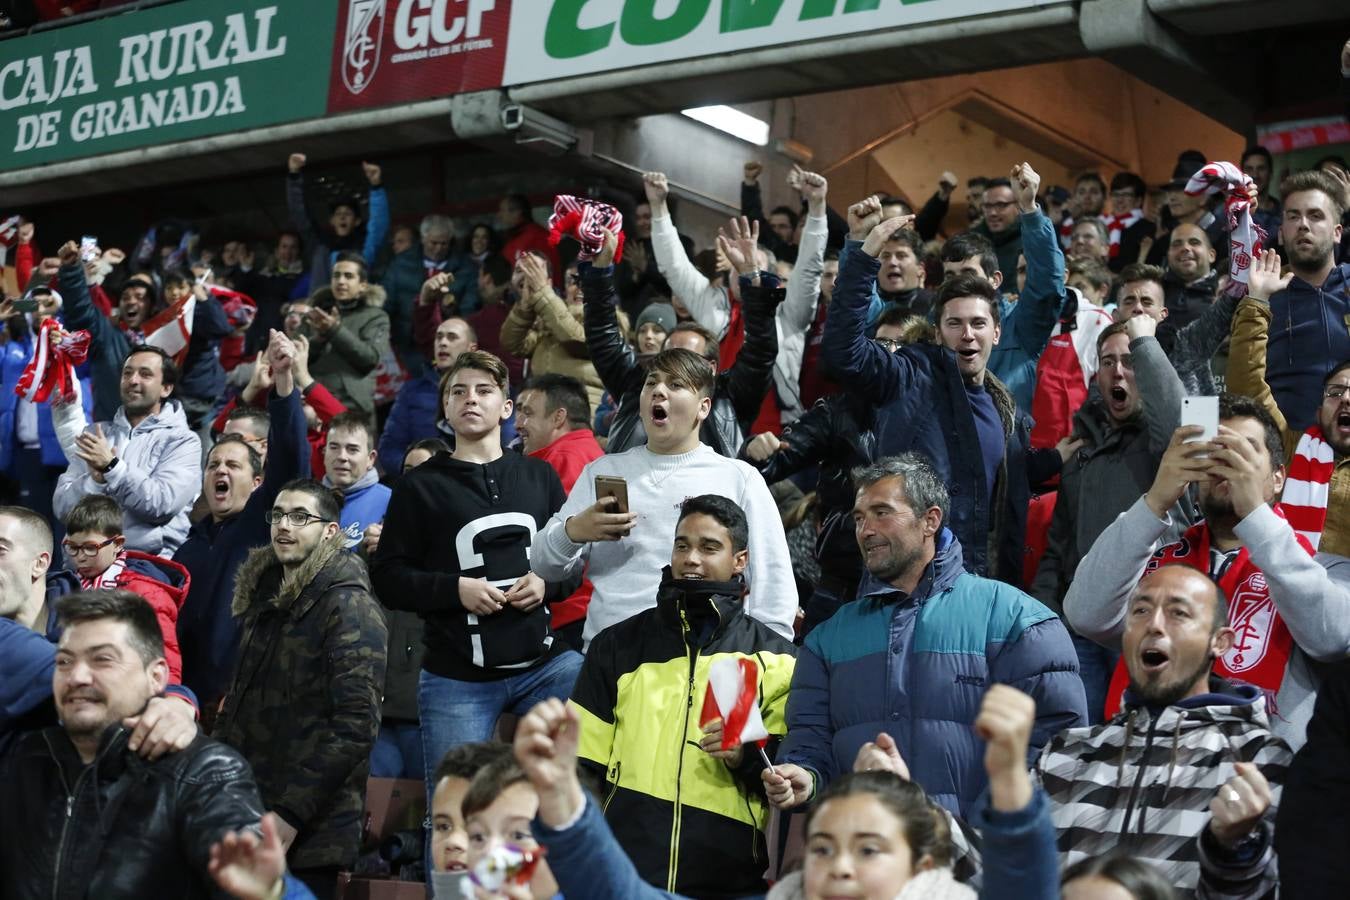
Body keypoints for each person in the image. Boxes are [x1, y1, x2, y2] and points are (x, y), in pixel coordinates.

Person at [769, 455, 1086, 818]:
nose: (865, 530)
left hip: (979, 849)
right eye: (859, 518)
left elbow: (1056, 748)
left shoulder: (1019, 621)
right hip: (868, 846)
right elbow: (809, 737)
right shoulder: (826, 640)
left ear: (930, 520)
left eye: (881, 513)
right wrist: (807, 776)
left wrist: (982, 834)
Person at [369, 350, 583, 877]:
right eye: (458, 391)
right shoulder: (419, 486)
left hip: (544, 666)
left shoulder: (539, 476)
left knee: (594, 738)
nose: (471, 399)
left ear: (507, 407)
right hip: (456, 677)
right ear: (444, 408)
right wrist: (454, 589)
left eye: (484, 391)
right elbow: (389, 577)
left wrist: (547, 582)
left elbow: (573, 565)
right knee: (454, 814)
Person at [979, 567, 1290, 898]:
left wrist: (1233, 850)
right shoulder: (1067, 753)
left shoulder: (1258, 758)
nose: (1154, 624)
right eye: (1140, 610)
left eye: (1178, 613)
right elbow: (1004, 878)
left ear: (1220, 641)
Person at [1064, 396, 1350, 747]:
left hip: (1259, 769)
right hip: (1145, 758)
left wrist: (1255, 515)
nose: (1226, 463)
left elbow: (1332, 637)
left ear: (1278, 479)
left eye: (1243, 451)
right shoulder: (1157, 569)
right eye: (1215, 451)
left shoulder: (1325, 569)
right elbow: (1085, 613)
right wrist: (1154, 502)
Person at [570, 494, 797, 896]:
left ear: (740, 560)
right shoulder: (617, 646)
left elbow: (788, 772)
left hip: (727, 879)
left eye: (709, 547)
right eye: (682, 545)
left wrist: (745, 756)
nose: (691, 559)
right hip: (626, 875)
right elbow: (581, 766)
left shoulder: (776, 658)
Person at [823, 213, 1062, 585]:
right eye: (954, 324)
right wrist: (862, 253)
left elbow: (1000, 505)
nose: (967, 334)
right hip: (907, 583)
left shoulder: (1007, 412)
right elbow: (844, 352)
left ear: (997, 333)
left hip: (977, 582)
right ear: (937, 333)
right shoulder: (909, 377)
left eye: (978, 323)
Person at [0, 590, 265, 897]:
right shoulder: (27, 761)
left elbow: (253, 886)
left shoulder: (204, 773)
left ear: (156, 677)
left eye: (102, 659)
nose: (77, 676)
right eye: (64, 661)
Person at [531, 345, 797, 648]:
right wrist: (573, 532)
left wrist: (771, 653)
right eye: (651, 383)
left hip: (702, 655)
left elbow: (773, 580)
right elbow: (542, 564)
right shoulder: (603, 471)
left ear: (703, 408)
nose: (658, 391)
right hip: (611, 656)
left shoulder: (739, 478)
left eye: (676, 384)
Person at [214, 479, 388, 899]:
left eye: (299, 517)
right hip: (245, 812)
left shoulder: (349, 605)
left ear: (330, 531)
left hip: (310, 833)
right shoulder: (266, 598)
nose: (284, 526)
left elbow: (355, 726)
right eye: (278, 515)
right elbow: (235, 705)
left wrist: (290, 814)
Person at [1030, 315, 1188, 720]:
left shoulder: (1184, 421)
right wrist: (1044, 619)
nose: (1118, 370)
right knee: (1077, 739)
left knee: (1140, 735)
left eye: (1130, 360)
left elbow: (1186, 430)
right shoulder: (1080, 448)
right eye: (1107, 362)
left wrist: (1146, 343)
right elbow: (1058, 547)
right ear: (1096, 377)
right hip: (1081, 627)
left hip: (1152, 623)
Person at [744, 308, 917, 636]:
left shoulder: (939, 415)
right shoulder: (838, 412)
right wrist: (756, 451)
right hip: (844, 581)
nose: (890, 354)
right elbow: (773, 461)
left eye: (903, 346)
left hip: (916, 584)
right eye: (882, 344)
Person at [174, 329, 310, 714]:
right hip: (186, 703)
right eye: (213, 465)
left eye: (233, 465)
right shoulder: (188, 548)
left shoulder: (262, 527)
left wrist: (283, 382)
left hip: (246, 704)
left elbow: (290, 457)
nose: (221, 470)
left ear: (257, 482)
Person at [582, 226, 778, 458]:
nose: (674, 365)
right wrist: (600, 270)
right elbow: (603, 336)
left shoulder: (730, 398)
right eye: (668, 357)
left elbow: (760, 352)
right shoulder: (637, 388)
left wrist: (751, 277)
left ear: (711, 368)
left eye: (687, 358)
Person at [1229, 248, 1350, 555]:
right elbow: (1247, 385)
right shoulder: (1292, 448)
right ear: (1319, 412)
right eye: (1335, 393)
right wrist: (1257, 301)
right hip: (1288, 581)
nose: (1346, 398)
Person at [51, 345, 201, 557]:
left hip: (147, 563)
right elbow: (62, 508)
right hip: (86, 562)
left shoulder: (183, 441)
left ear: (166, 389)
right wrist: (94, 483)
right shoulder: (96, 434)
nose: (133, 380)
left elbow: (162, 504)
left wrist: (112, 468)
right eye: (127, 373)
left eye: (145, 374)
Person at [514, 373, 604, 652]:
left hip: (572, 611)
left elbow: (559, 542)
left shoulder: (562, 460)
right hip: (587, 607)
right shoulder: (590, 453)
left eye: (528, 413)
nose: (518, 424)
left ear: (558, 418)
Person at [61, 494, 190, 682]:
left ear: (117, 544)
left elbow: (165, 656)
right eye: (73, 547)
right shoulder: (69, 586)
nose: (80, 557)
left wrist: (165, 695)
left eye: (90, 547)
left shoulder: (146, 592)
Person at [1261, 170, 1350, 431]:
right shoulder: (1261, 296)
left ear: (1337, 232)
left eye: (1315, 215)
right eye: (1293, 216)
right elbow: (1244, 381)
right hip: (1286, 446)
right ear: (1281, 234)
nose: (1303, 224)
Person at [503, 253, 620, 418]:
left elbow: (577, 340)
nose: (579, 287)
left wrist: (543, 293)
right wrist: (526, 304)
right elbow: (512, 344)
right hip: (541, 415)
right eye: (572, 281)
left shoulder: (611, 319)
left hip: (583, 418)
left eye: (586, 280)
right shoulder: (548, 321)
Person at [380, 300, 482, 468]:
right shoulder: (412, 391)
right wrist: (415, 470)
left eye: (452, 337)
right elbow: (389, 449)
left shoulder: (488, 391)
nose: (443, 342)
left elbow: (502, 445)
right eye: (439, 337)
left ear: (471, 348)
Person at [300, 251, 391, 426]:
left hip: (352, 405)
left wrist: (334, 330)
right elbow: (294, 356)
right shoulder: (314, 313)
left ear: (363, 285)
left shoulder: (376, 317)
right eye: (336, 276)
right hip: (310, 401)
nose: (341, 281)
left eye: (348, 276)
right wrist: (319, 339)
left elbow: (369, 359)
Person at [382, 214, 476, 377]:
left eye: (444, 243)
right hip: (406, 343)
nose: (438, 248)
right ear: (423, 238)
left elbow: (471, 306)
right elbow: (387, 302)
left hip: (449, 345)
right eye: (434, 243)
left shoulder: (466, 267)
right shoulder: (400, 263)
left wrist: (453, 312)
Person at [285, 154, 389, 292]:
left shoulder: (364, 248)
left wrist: (376, 186)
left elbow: (378, 224)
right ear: (332, 221)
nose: (342, 217)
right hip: (322, 304)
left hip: (354, 304)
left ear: (357, 221)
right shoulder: (320, 245)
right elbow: (300, 215)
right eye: (338, 214)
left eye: (348, 214)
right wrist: (294, 175)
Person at [320, 411, 389, 549]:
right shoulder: (307, 501)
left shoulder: (391, 502)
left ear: (371, 459)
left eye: (352, 449)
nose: (342, 456)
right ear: (324, 452)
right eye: (334, 447)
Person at [973, 177, 1025, 277]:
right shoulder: (973, 241)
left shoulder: (1032, 240)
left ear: (1018, 206)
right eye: (987, 206)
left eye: (1001, 205)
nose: (993, 213)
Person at [497, 193, 559, 276]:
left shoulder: (538, 236)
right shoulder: (511, 237)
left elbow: (550, 270)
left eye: (503, 210)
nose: (499, 215)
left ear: (517, 212)